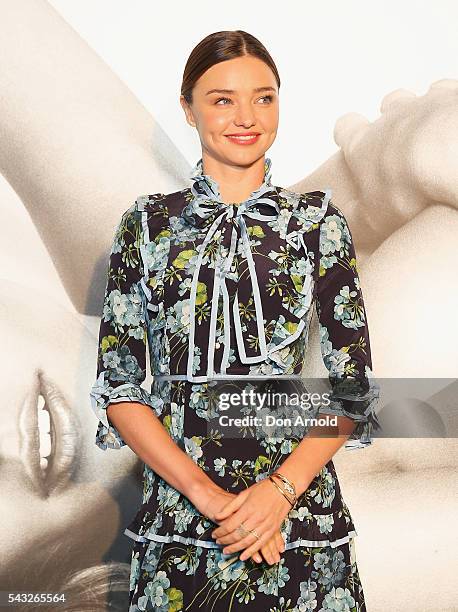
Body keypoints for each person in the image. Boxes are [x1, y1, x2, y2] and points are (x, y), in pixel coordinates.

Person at [89, 30, 381, 611]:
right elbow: (120, 386)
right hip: (183, 522)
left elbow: (353, 389)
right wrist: (210, 498)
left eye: (264, 97)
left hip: (297, 518)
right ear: (187, 108)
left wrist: (277, 494)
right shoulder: (148, 226)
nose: (246, 116)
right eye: (222, 99)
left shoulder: (316, 222)